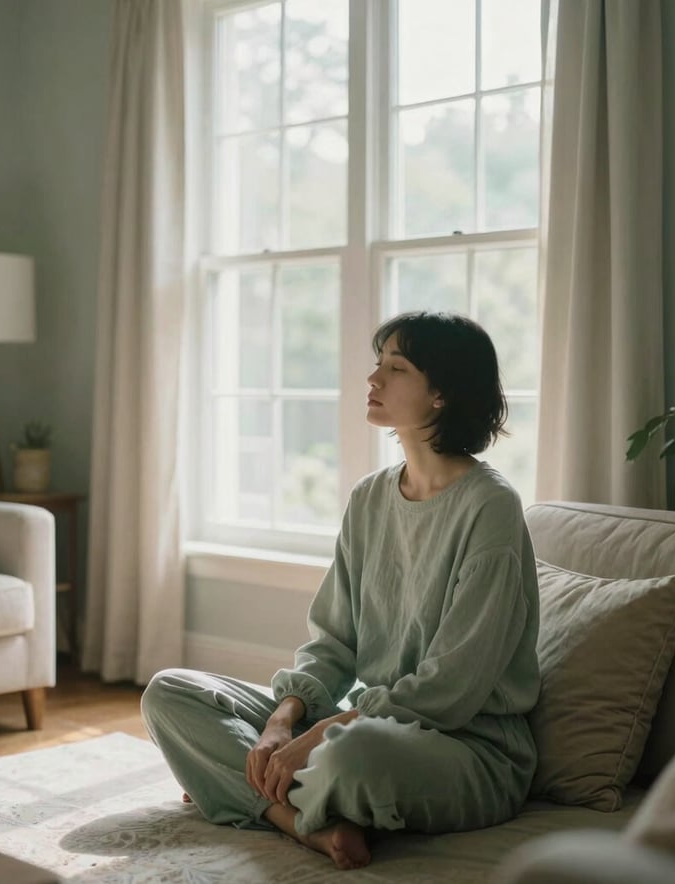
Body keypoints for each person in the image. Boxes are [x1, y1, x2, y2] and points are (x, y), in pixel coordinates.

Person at [141, 310, 541, 871]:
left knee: (351, 757)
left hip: (466, 748)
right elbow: (333, 643)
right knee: (170, 693)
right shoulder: (369, 497)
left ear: (442, 394)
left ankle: (237, 790)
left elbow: (453, 686)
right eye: (378, 364)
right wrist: (282, 723)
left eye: (396, 368)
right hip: (360, 720)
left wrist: (325, 731)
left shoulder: (490, 507)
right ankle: (299, 820)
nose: (373, 380)